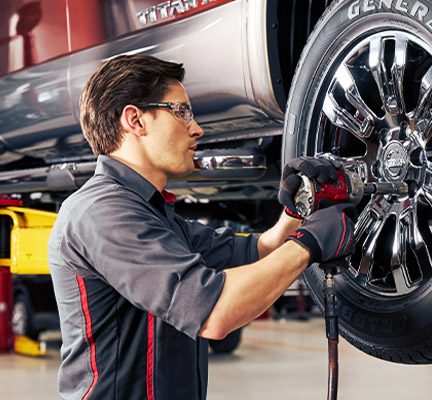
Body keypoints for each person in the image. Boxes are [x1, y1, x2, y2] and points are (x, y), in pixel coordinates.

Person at [47, 54, 357, 400]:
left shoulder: (153, 215)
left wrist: (297, 209)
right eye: (181, 112)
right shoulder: (101, 212)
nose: (197, 128)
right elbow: (215, 313)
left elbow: (260, 250)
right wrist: (309, 243)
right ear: (135, 120)